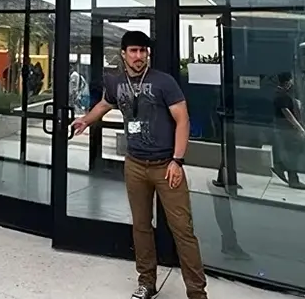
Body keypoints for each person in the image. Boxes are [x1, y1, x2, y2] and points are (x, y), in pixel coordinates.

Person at [71, 31, 206, 299]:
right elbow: (104, 105)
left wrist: (177, 161)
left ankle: (197, 293)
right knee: (141, 226)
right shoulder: (116, 82)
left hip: (166, 166)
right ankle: (147, 282)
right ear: (123, 54)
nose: (139, 56)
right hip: (135, 164)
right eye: (133, 51)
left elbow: (183, 120)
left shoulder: (163, 82)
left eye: (143, 51)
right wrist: (85, 120)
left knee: (183, 230)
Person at [270, 73, 305, 191]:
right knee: (294, 153)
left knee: (292, 152)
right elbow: (287, 113)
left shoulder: (281, 94)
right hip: (287, 129)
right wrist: (299, 128)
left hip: (284, 128)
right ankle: (292, 178)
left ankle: (281, 167)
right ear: (288, 81)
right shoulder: (281, 95)